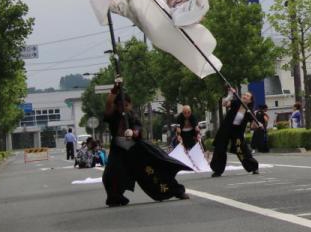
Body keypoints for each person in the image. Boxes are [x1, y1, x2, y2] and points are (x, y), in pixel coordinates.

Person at [101, 78, 190, 207]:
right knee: (110, 175)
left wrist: (133, 132)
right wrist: (115, 88)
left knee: (155, 173)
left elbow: (138, 128)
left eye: (126, 105)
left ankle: (177, 191)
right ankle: (115, 197)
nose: (123, 108)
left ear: (130, 105)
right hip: (119, 151)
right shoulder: (113, 115)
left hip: (136, 151)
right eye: (120, 105)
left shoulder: (132, 115)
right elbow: (108, 104)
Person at [212, 89, 262, 176]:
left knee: (241, 150)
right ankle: (217, 170)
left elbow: (253, 126)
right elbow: (224, 104)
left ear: (250, 100)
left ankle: (253, 167)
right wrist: (230, 95)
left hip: (237, 132)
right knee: (220, 147)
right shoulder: (236, 102)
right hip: (226, 128)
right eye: (244, 95)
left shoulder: (249, 111)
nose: (245, 96)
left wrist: (258, 124)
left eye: (247, 96)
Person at [168, 105, 212, 172]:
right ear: (182, 112)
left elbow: (196, 127)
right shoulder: (179, 118)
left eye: (188, 112)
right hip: (182, 133)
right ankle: (176, 160)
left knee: (200, 140)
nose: (187, 114)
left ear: (190, 112)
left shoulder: (193, 117)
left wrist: (198, 134)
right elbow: (178, 128)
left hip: (192, 133)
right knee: (176, 141)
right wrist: (179, 136)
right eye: (185, 112)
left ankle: (206, 156)